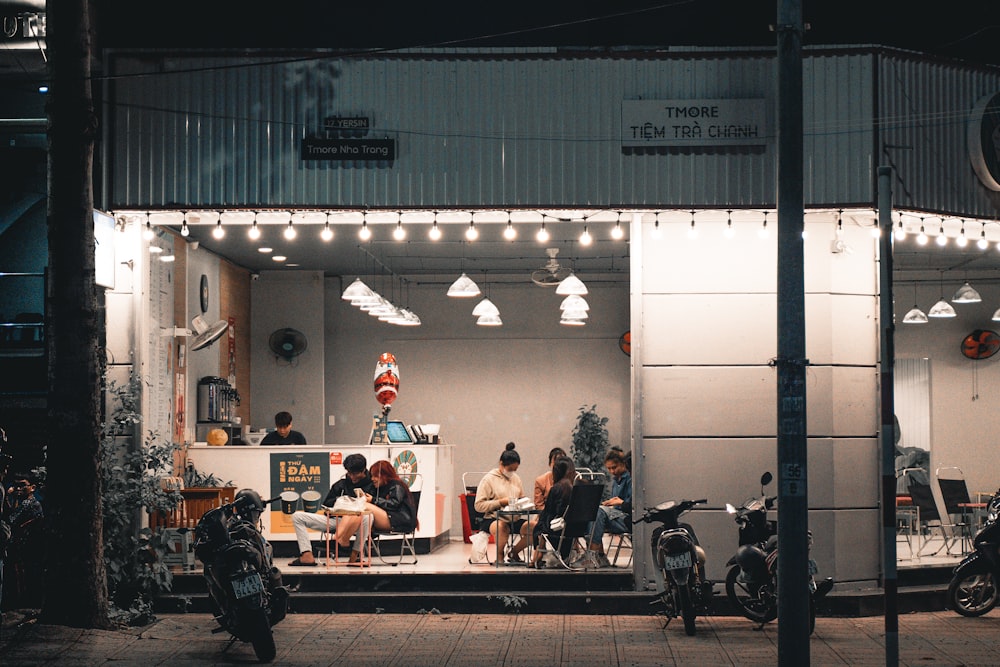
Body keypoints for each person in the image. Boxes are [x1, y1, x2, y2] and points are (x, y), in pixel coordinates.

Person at [288, 453, 375, 566]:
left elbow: (377, 507)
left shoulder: (373, 485)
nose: (352, 477)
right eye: (349, 473)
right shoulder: (341, 485)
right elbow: (326, 505)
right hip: (336, 521)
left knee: (368, 516)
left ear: (363, 470)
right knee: (297, 517)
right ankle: (306, 554)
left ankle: (354, 555)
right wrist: (341, 503)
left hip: (359, 522)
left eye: (355, 474)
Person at [474, 442, 533, 563]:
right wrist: (500, 502)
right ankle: (499, 555)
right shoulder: (489, 479)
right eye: (510, 469)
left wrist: (523, 504)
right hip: (493, 518)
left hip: (513, 518)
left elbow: (521, 497)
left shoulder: (516, 478)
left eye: (515, 470)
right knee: (501, 527)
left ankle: (514, 552)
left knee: (534, 527)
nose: (512, 472)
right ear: (501, 464)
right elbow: (478, 505)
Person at [3, 471, 44, 607]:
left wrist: (8, 497)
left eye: (22, 486)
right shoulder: (23, 503)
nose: (18, 489)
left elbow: (11, 519)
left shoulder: (29, 503)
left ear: (32, 487)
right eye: (16, 486)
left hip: (25, 548)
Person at [588, 447, 632, 568]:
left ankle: (593, 554)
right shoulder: (616, 481)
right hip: (616, 514)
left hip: (626, 517)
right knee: (592, 512)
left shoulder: (629, 479)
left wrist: (619, 503)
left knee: (598, 512)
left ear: (623, 464)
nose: (612, 471)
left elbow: (631, 505)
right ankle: (600, 556)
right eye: (609, 469)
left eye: (614, 467)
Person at [530, 455, 577, 568]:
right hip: (578, 528)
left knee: (539, 527)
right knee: (543, 524)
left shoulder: (557, 488)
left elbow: (550, 512)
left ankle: (538, 554)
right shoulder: (578, 486)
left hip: (559, 529)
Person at [352, 460, 418, 537]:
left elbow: (394, 504)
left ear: (384, 475)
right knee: (363, 515)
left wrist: (373, 500)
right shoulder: (379, 486)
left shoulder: (396, 485)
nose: (372, 479)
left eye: (375, 476)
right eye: (372, 476)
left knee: (363, 506)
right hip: (392, 518)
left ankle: (342, 537)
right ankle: (350, 543)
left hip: (400, 520)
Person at [533, 447, 567, 512]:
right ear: (550, 464)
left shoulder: (572, 479)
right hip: (547, 516)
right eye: (555, 462)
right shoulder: (540, 481)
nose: (558, 466)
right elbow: (539, 505)